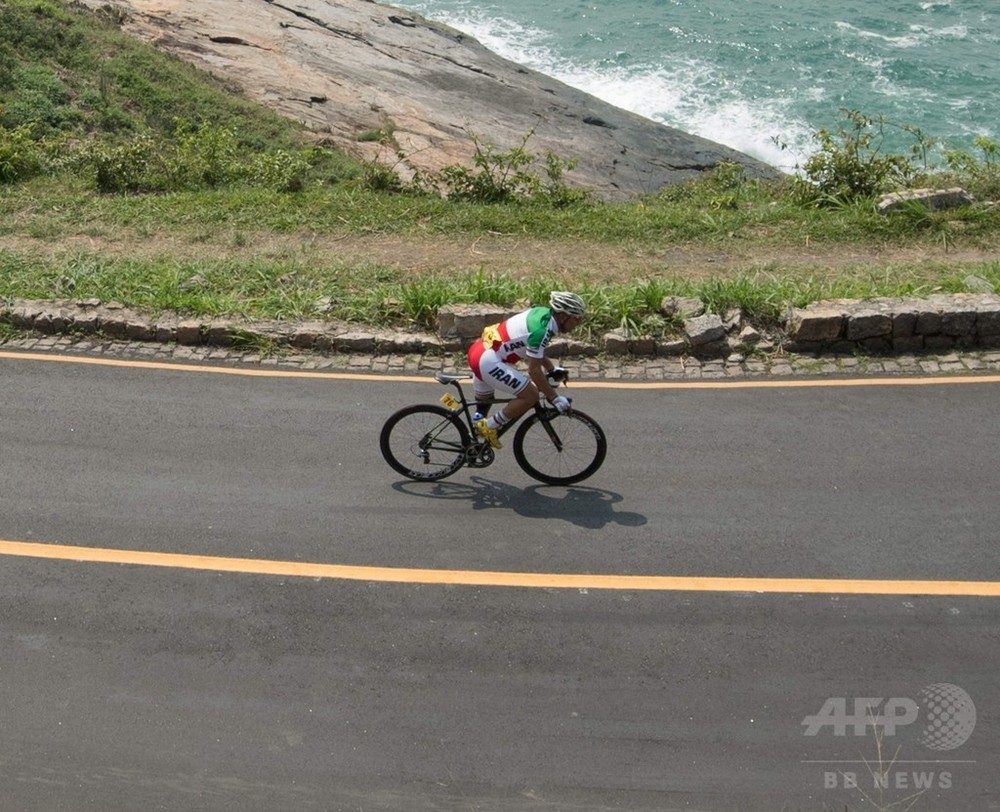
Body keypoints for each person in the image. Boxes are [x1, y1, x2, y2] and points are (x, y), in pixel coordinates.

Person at [466, 291, 586, 449]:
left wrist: (551, 368)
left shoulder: (542, 313)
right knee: (530, 395)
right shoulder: (542, 331)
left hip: (479, 350)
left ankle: (472, 440)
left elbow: (533, 349)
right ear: (563, 316)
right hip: (487, 360)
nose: (578, 324)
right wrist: (555, 398)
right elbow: (534, 371)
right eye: (576, 319)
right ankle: (487, 428)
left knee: (485, 402)